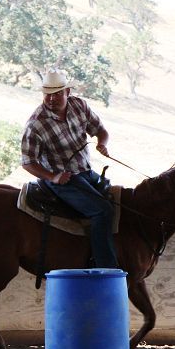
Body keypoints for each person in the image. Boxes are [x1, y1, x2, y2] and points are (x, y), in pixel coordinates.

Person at [21, 69, 119, 269]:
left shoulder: (79, 105)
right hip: (62, 180)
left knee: (117, 202)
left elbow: (101, 130)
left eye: (57, 93)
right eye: (47, 94)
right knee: (102, 211)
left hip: (85, 171)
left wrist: (102, 143)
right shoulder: (36, 124)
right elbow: (28, 161)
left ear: (68, 92)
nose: (51, 99)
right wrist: (53, 177)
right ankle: (106, 269)